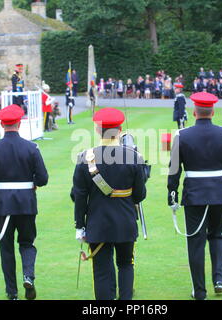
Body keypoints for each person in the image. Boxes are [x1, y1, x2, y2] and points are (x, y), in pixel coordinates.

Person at [167, 92, 222, 300]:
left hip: (194, 195)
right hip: (219, 193)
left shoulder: (182, 135)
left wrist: (172, 193)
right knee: (217, 235)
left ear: (194, 112)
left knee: (196, 242)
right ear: (213, 111)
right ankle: (218, 279)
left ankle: (199, 291)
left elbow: (174, 169)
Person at [71, 107, 147, 300]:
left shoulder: (84, 158)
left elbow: (78, 197)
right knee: (125, 265)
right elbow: (139, 195)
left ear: (97, 129)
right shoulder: (134, 157)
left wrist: (80, 226)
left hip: (97, 223)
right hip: (125, 221)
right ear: (120, 129)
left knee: (102, 271)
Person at [0, 104, 48, 300]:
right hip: (26, 203)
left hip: (3, 205)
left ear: (2, 124)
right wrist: (32, 184)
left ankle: (12, 292)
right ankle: (28, 275)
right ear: (19, 123)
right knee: (27, 243)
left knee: (6, 248)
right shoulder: (32, 148)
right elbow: (43, 178)